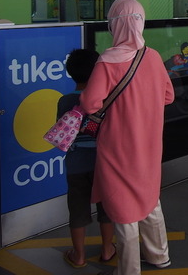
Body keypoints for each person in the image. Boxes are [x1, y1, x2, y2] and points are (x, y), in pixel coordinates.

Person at [80, 0, 174, 275]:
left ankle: (129, 269)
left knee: (123, 210)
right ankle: (160, 256)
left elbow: (89, 104)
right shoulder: (153, 56)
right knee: (149, 198)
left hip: (118, 146)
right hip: (149, 143)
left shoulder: (108, 61)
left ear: (113, 25)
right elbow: (168, 95)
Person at [59, 48, 115, 269]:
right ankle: (107, 249)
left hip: (75, 166)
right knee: (106, 208)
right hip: (102, 163)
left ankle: (79, 255)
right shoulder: (105, 101)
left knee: (78, 209)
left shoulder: (64, 101)